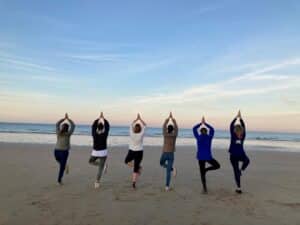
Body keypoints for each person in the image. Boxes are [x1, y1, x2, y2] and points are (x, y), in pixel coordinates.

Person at [193, 116, 220, 194]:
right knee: (217, 166)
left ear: (201, 132)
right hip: (206, 157)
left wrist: (201, 123)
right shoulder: (209, 137)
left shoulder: (198, 137)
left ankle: (204, 189)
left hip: (202, 157)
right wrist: (205, 123)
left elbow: (194, 129)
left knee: (203, 173)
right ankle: (204, 188)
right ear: (205, 132)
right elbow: (212, 129)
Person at [229, 110, 250, 194]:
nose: (238, 132)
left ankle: (241, 170)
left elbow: (244, 127)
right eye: (237, 130)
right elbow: (231, 126)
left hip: (241, 155)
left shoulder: (243, 137)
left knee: (247, 161)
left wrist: (241, 119)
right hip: (233, 157)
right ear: (235, 131)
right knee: (235, 171)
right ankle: (239, 188)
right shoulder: (233, 136)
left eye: (240, 130)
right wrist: (235, 118)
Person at [124, 113, 146, 189]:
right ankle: (134, 182)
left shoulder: (131, 133)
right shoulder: (141, 134)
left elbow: (131, 124)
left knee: (126, 161)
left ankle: (134, 183)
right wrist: (140, 119)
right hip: (139, 152)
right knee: (135, 167)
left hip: (132, 151)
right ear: (140, 129)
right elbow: (145, 125)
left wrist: (136, 119)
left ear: (134, 129)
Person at [89, 112, 110, 189]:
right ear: (103, 128)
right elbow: (108, 126)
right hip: (103, 152)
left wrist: (98, 118)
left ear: (97, 127)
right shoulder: (105, 134)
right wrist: (103, 118)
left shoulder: (94, 133)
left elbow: (93, 126)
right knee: (100, 168)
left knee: (91, 161)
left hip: (95, 152)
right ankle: (97, 182)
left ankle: (102, 166)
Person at [54, 113, 75, 185]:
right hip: (57, 151)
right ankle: (65, 165)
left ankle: (59, 180)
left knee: (61, 167)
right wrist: (67, 119)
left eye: (63, 127)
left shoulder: (67, 133)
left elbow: (57, 124)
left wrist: (64, 119)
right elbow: (73, 125)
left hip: (63, 151)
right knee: (60, 162)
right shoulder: (59, 133)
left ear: (63, 127)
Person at [160, 112, 178, 191]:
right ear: (173, 130)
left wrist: (168, 119)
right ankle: (167, 186)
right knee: (168, 171)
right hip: (171, 154)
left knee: (161, 163)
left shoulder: (165, 134)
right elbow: (177, 128)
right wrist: (173, 120)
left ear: (167, 129)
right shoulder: (174, 135)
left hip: (165, 153)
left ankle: (171, 168)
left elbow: (163, 126)